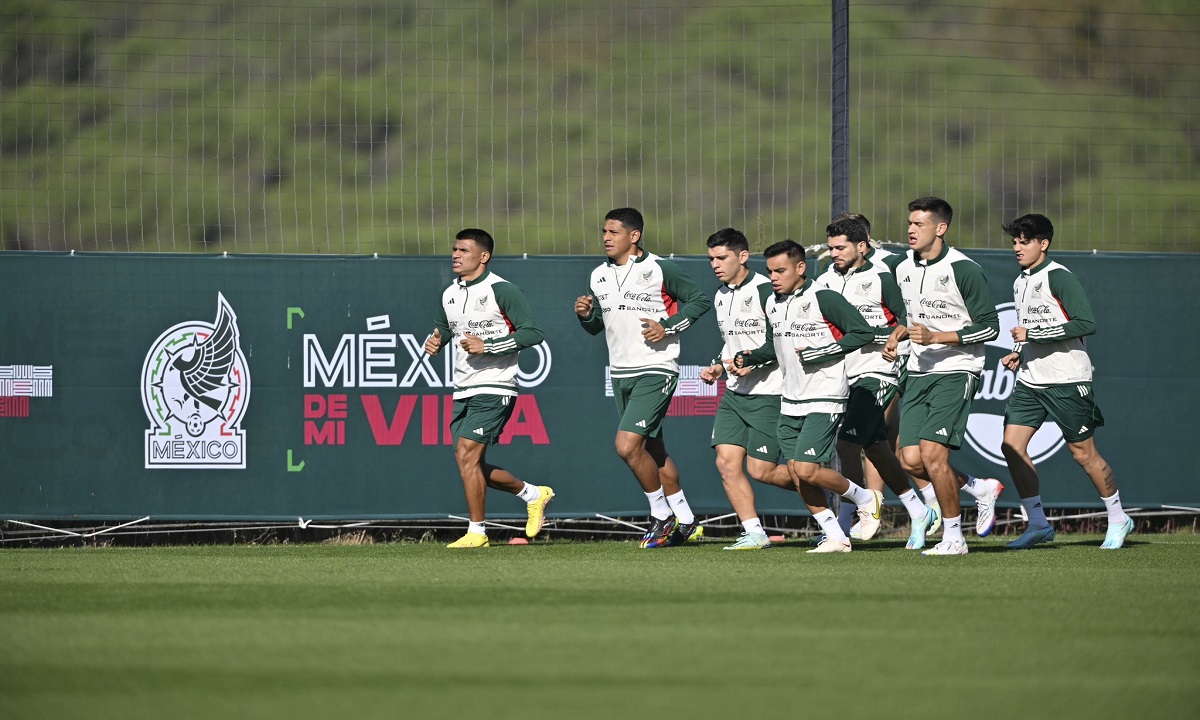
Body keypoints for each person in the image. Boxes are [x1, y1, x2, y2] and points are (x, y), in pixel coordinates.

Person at [733, 239, 882, 553]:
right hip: (790, 398)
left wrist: (823, 352)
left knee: (806, 469)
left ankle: (865, 498)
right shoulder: (772, 302)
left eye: (781, 270)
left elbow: (863, 332)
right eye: (770, 271)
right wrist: (750, 358)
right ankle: (836, 537)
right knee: (797, 474)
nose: (773, 277)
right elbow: (773, 346)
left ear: (800, 267)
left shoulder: (823, 297)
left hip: (825, 395)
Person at [575, 208, 711, 548]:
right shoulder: (598, 275)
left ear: (634, 236)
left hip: (656, 367)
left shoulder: (660, 268)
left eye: (613, 232)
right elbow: (597, 326)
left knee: (626, 445)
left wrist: (667, 327)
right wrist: (587, 316)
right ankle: (687, 521)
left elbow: (700, 300)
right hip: (620, 372)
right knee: (653, 450)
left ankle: (662, 515)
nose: (606, 237)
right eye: (604, 231)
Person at [998, 213, 1133, 550]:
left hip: (1067, 379)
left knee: (1083, 454)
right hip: (1031, 380)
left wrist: (1033, 335)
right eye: (1014, 242)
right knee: (1011, 446)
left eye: (1025, 241)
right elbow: (1027, 327)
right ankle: (1038, 523)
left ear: (1043, 244)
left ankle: (1118, 518)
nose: (1017, 248)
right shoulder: (1020, 281)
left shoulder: (1059, 277)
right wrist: (1019, 352)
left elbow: (1086, 323)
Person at [885, 197, 1003, 555]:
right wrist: (898, 334)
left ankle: (954, 537)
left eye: (918, 224)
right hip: (918, 371)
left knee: (933, 455)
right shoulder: (902, 267)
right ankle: (979, 488)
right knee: (910, 459)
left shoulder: (964, 269)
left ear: (941, 228)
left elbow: (990, 327)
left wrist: (937, 337)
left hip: (956, 370)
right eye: (909, 223)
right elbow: (911, 318)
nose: (910, 230)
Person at [814, 215, 940, 549]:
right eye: (831, 248)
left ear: (862, 245)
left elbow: (908, 318)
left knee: (846, 445)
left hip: (879, 370)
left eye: (841, 248)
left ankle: (854, 517)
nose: (834, 254)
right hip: (843, 373)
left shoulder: (882, 277)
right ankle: (919, 510)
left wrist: (893, 338)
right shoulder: (825, 281)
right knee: (876, 447)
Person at [425, 228, 554, 549]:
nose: (456, 255)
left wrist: (489, 345)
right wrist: (436, 341)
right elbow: (444, 328)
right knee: (469, 462)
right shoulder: (448, 292)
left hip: (496, 384)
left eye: (464, 250)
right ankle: (532, 494)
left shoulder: (502, 290)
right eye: (454, 249)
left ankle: (477, 532)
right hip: (462, 387)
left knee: (467, 456)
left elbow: (533, 332)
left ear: (484, 256)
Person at [699, 228, 801, 550]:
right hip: (735, 394)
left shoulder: (765, 290)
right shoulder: (720, 295)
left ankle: (827, 488)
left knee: (762, 471)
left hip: (770, 392)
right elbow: (731, 345)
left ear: (743, 256)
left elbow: (781, 342)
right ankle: (755, 533)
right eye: (711, 259)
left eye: (721, 257)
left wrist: (753, 363)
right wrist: (719, 365)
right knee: (726, 463)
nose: (715, 265)